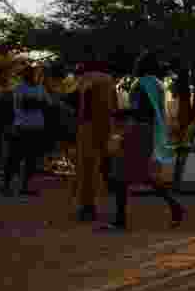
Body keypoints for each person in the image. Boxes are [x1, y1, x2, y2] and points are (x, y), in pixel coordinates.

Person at [97, 50, 184, 232]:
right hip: (148, 131)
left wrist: (118, 113)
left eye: (138, 62)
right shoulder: (158, 84)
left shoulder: (143, 84)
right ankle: (175, 206)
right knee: (141, 174)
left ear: (142, 65)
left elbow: (141, 112)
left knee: (121, 174)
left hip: (137, 130)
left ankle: (120, 221)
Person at [72, 59, 118, 223]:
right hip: (106, 127)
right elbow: (115, 105)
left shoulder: (87, 79)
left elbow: (85, 103)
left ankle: (87, 207)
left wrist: (79, 122)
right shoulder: (109, 80)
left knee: (86, 168)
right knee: (104, 166)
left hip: (89, 127)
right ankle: (107, 206)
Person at [0, 64, 49, 197]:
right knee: (14, 157)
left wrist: (38, 103)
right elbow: (27, 105)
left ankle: (25, 186)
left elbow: (46, 104)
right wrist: (39, 103)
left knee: (31, 159)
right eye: (31, 73)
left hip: (37, 127)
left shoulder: (40, 88)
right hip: (22, 127)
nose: (34, 75)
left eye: (35, 73)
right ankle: (6, 185)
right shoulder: (20, 88)